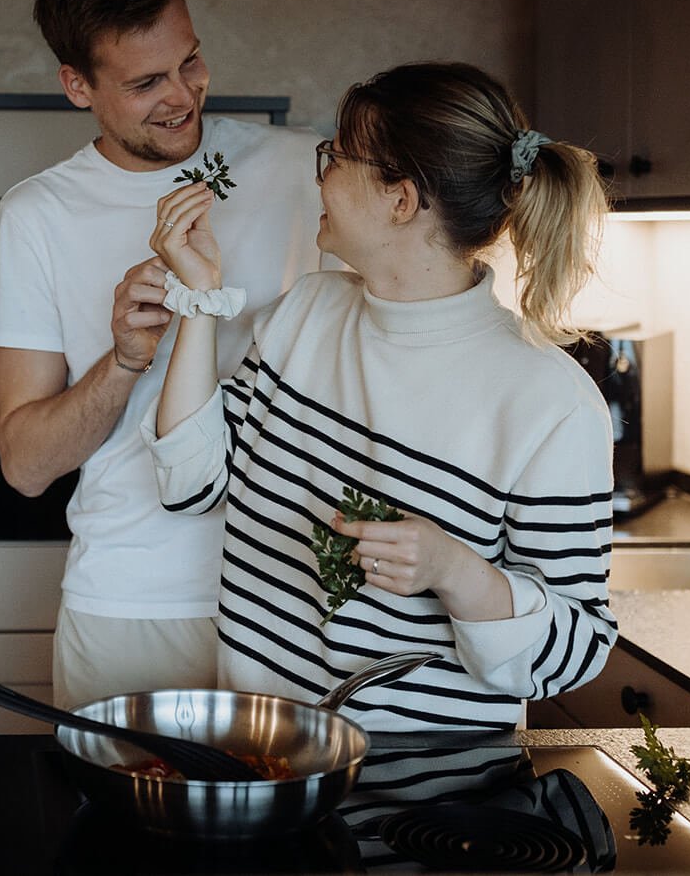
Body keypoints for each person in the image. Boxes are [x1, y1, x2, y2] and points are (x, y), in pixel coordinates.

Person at [142, 61, 618, 731]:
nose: (321, 176)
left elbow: (577, 650)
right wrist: (195, 295)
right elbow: (192, 482)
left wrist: (454, 568)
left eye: (336, 156)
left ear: (401, 199)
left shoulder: (549, 402)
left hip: (427, 803)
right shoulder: (305, 313)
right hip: (263, 753)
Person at [0, 0, 324, 709]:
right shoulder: (36, 217)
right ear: (77, 85)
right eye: (146, 81)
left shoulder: (303, 171)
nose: (183, 95)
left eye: (190, 61)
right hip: (133, 603)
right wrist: (124, 359)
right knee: (122, 830)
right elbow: (25, 464)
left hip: (295, 599)